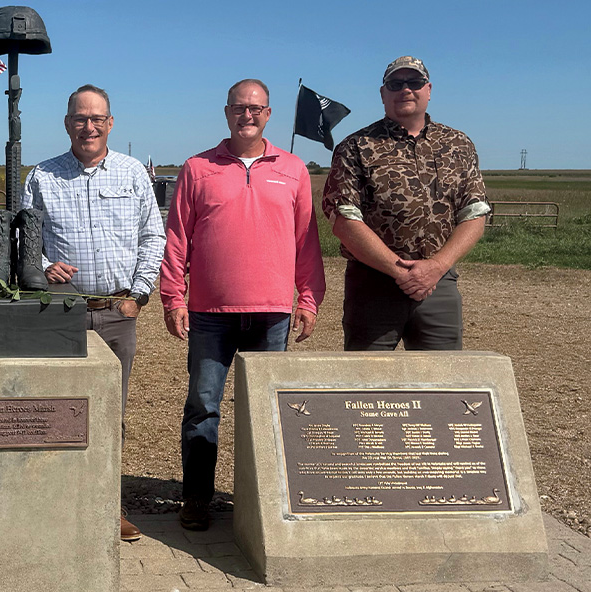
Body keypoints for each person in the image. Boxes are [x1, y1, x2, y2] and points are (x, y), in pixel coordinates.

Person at [160, 79, 326, 531]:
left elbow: (306, 241)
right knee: (202, 407)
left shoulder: (293, 169)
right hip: (210, 314)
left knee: (267, 409)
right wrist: (173, 295)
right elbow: (177, 237)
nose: (247, 115)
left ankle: (264, 501)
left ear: (268, 114)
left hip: (273, 313)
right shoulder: (198, 168)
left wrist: (308, 299)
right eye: (239, 107)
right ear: (227, 112)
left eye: (256, 108)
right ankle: (196, 498)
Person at [22, 84, 165, 542]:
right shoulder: (41, 177)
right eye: (80, 118)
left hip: (116, 314)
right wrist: (45, 266)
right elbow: (26, 242)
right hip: (60, 314)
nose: (89, 126)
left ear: (110, 123)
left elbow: (152, 238)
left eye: (97, 118)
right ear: (67, 123)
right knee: (56, 411)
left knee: (108, 415)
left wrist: (138, 296)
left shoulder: (131, 174)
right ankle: (56, 507)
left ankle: (107, 507)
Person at [322, 56, 490, 350]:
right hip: (373, 286)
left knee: (445, 384)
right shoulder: (355, 146)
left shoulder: (458, 144)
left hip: (438, 285)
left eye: (414, 82)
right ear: (383, 93)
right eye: (395, 84)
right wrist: (400, 271)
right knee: (368, 387)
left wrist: (437, 267)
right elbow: (343, 219)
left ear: (428, 89)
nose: (405, 90)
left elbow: (475, 212)